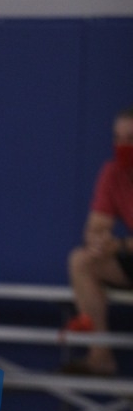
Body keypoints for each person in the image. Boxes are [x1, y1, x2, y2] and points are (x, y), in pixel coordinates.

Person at [67, 105, 133, 375]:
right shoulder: (112, 172)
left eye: (130, 139)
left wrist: (117, 245)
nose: (122, 146)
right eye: (117, 138)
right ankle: (100, 355)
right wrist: (98, 242)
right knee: (81, 261)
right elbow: (96, 226)